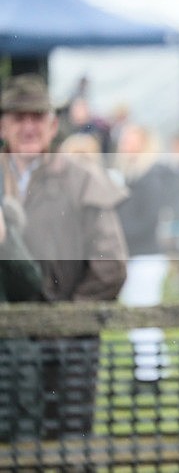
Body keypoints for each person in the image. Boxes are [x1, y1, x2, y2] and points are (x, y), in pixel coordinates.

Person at [0, 73, 128, 440]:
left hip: (66, 348)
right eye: (17, 117)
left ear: (53, 124)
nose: (28, 126)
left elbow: (111, 267)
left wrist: (65, 320)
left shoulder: (81, 180)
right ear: (2, 124)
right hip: (6, 344)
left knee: (67, 447)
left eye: (36, 117)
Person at [114, 124, 173, 388]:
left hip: (145, 257)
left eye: (130, 138)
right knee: (140, 317)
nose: (124, 143)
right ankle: (152, 369)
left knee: (144, 317)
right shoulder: (132, 175)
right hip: (137, 256)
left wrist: (118, 234)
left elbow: (147, 220)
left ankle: (149, 375)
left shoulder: (150, 175)